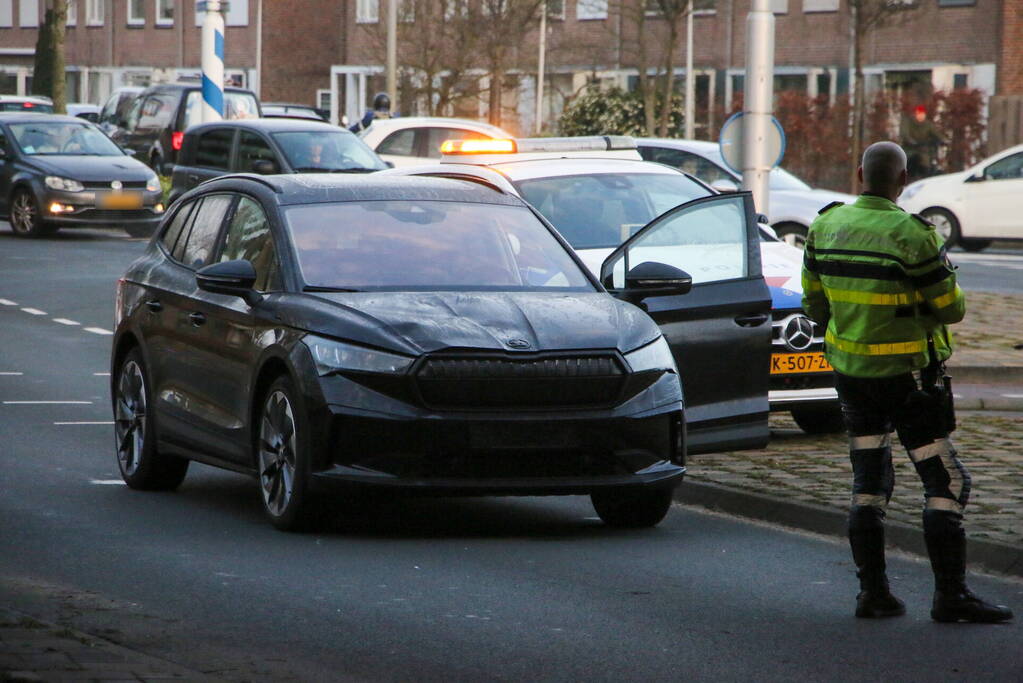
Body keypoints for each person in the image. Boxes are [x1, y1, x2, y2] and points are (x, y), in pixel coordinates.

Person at [801, 141, 1013, 623]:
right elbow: (951, 308)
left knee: (869, 482)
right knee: (945, 480)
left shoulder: (823, 226)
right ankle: (951, 596)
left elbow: (813, 305)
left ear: (859, 174)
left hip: (852, 377)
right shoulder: (912, 234)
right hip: (912, 382)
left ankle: (873, 595)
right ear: (902, 181)